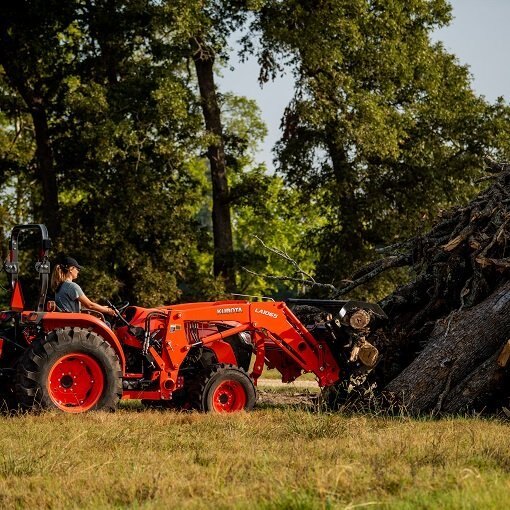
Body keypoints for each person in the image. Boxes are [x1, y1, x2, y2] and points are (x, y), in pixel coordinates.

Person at [51, 256, 115, 317]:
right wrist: (109, 310)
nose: (78, 271)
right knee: (107, 324)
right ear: (71, 269)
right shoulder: (72, 286)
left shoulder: (60, 287)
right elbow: (90, 305)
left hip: (67, 321)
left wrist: (102, 308)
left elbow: (72, 308)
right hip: (73, 324)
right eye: (77, 269)